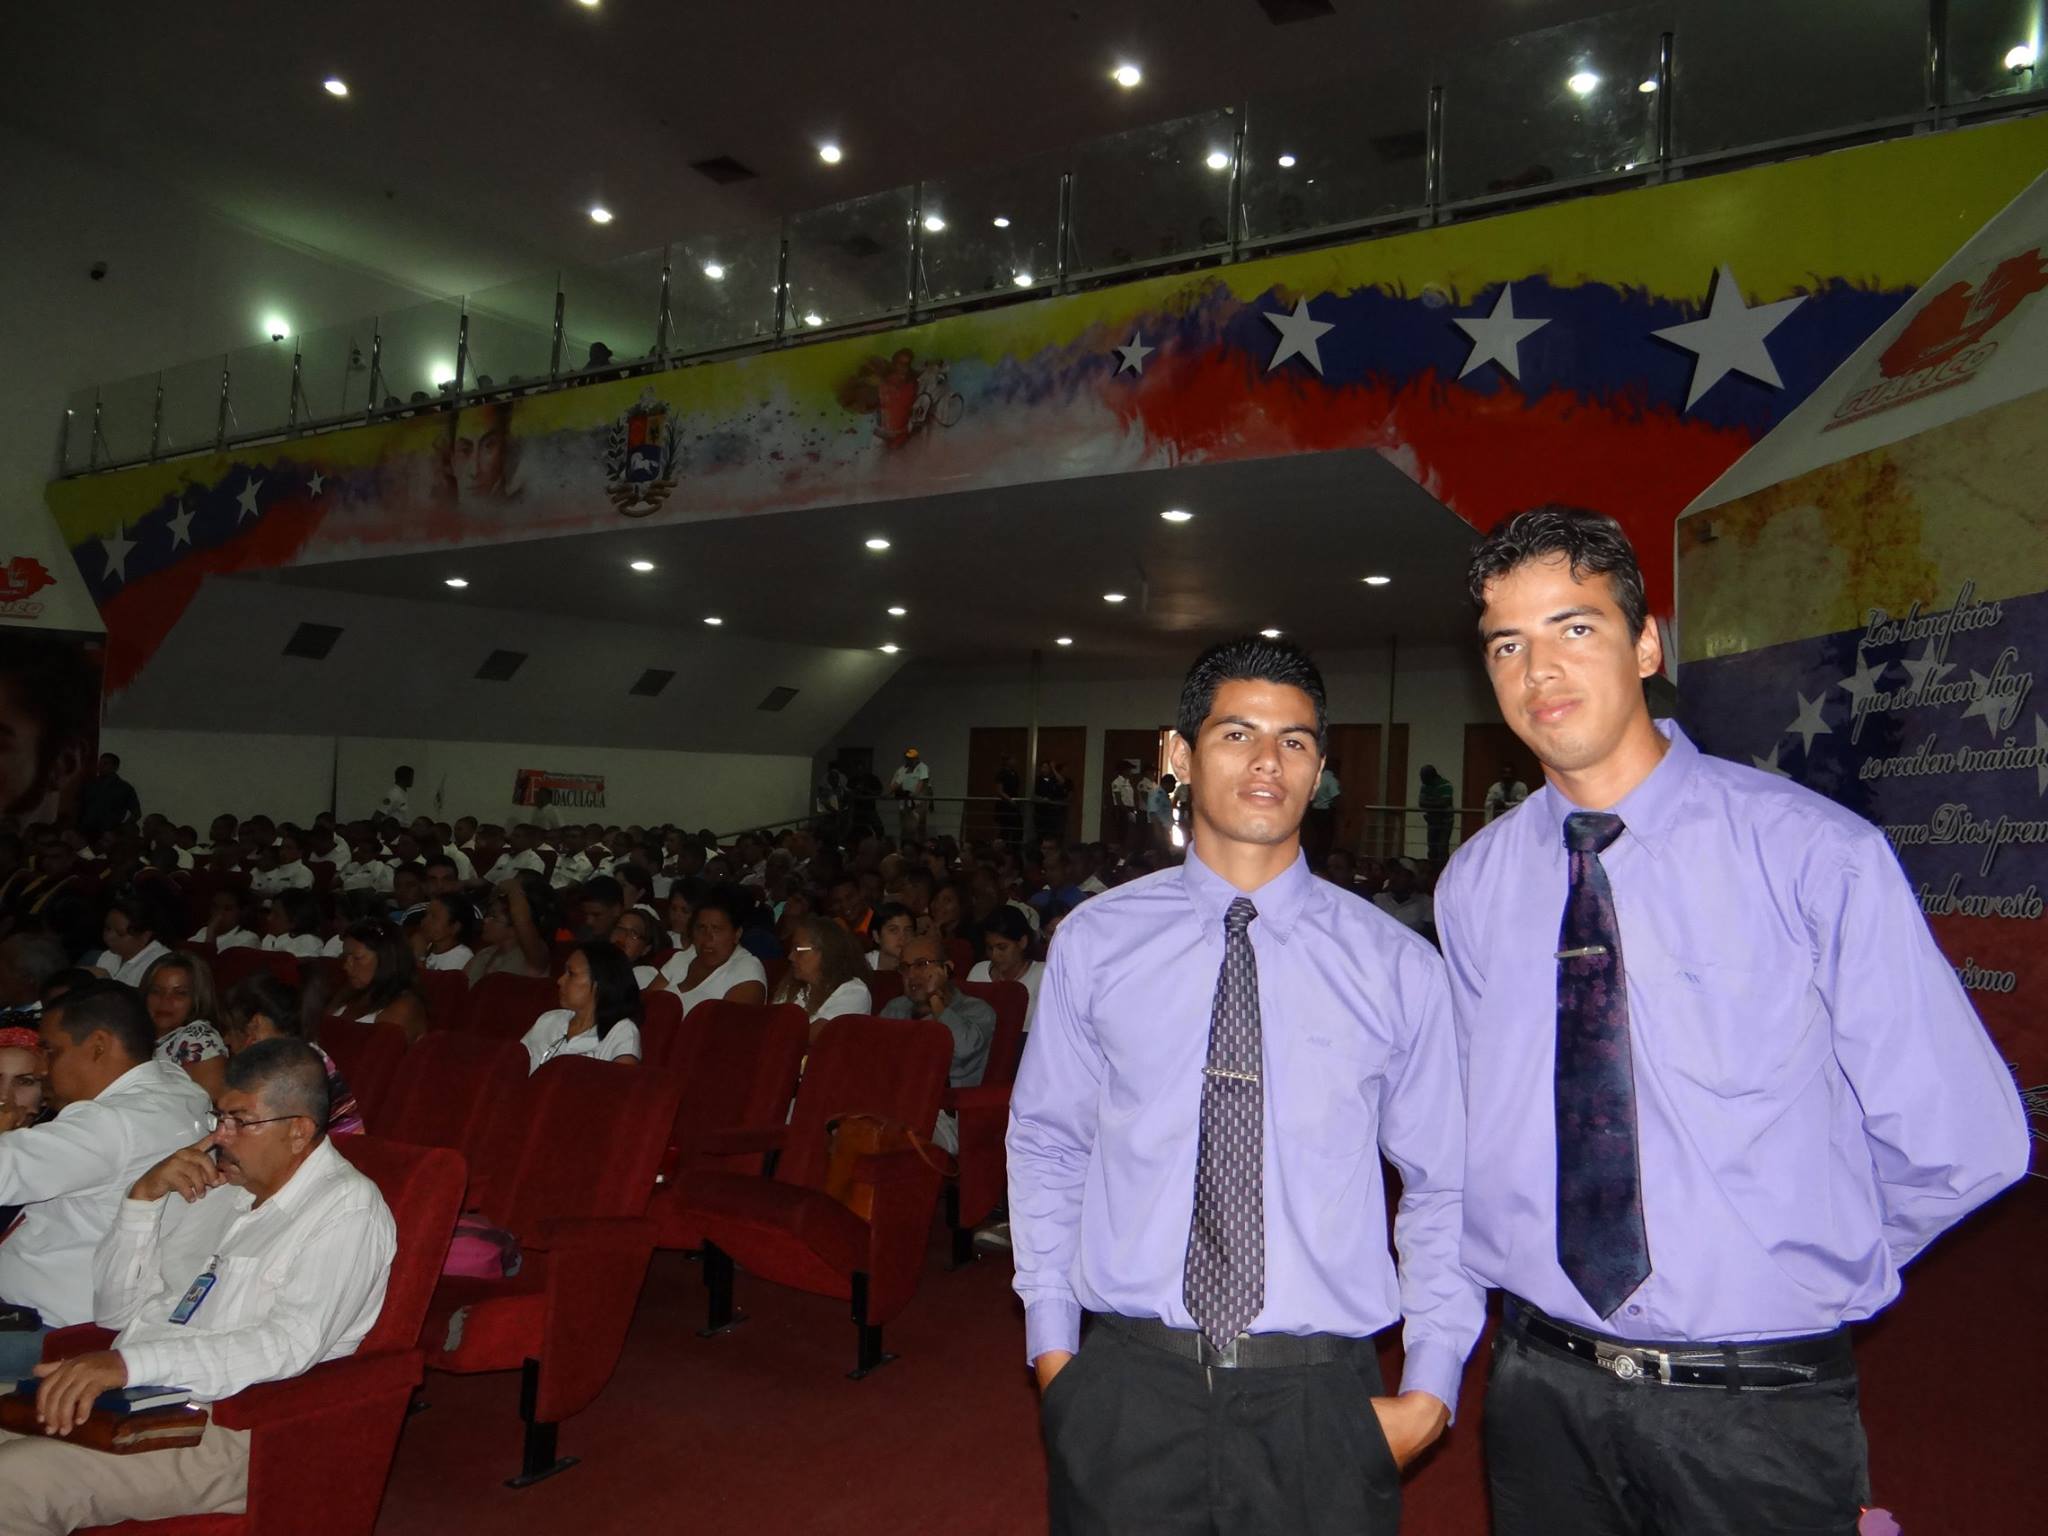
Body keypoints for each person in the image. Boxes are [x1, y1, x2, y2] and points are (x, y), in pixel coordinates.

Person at [1438, 507, 2029, 1533]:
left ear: (1646, 641)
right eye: (1507, 644)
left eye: (1573, 627)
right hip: (1538, 1389)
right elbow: (1468, 1126)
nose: (1539, 670)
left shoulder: (1810, 857)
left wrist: (1796, 1258)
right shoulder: (1474, 884)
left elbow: (1965, 1141)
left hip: (1751, 1409)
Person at [1008, 635, 1480, 1535]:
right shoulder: (1096, 943)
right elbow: (1047, 1141)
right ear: (1178, 756)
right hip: (1127, 1388)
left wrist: (1431, 1388)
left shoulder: (1396, 966)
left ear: (1321, 769)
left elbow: (1445, 1184)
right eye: (1238, 734)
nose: (1269, 762)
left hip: (1317, 1400)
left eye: (1296, 741)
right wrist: (1054, 1352)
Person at [0, 1039, 395, 1532]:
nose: (220, 1137)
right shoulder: (221, 1192)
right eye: (217, 1118)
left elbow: (286, 1345)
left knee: (11, 1484)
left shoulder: (346, 1210)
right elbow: (116, 1313)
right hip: (144, 1402)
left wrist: (128, 1364)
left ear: (298, 1132)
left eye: (239, 1121)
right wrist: (141, 1201)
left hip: (240, 1427)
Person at [0, 982, 211, 1376]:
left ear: (98, 1045)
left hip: (50, 1329)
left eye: (51, 1050)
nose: (42, 1068)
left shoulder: (109, 1125)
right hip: (79, 1310)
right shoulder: (175, 1086)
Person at [880, 932, 993, 1154]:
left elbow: (962, 1050)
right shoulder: (895, 1009)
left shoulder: (977, 1011)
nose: (912, 975)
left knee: (888, 1128)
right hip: (891, 1104)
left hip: (943, 1117)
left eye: (922, 965)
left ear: (947, 969)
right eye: (905, 968)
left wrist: (936, 1001)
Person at [219, 974, 363, 1136]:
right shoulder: (290, 1054)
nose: (226, 1040)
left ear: (256, 1024)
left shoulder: (296, 1064)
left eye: (230, 1029)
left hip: (337, 1147)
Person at [521, 941, 644, 1072]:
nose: (560, 981)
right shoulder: (550, 1019)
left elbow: (620, 1086)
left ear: (599, 983)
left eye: (571, 974)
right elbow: (514, 1065)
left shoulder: (621, 1031)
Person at [654, 891, 767, 1012]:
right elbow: (647, 1003)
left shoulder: (747, 970)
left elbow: (726, 1026)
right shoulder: (684, 957)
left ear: (737, 934)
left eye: (716, 929)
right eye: (701, 928)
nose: (707, 937)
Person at [140, 952, 231, 1100]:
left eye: (180, 993)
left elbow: (209, 1108)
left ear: (196, 999)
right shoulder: (135, 1033)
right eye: (156, 991)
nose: (165, 1000)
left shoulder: (199, 1036)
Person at [323, 920, 428, 1042]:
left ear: (386, 959)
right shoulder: (349, 991)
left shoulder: (405, 1007)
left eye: (357, 958)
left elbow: (380, 1055)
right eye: (345, 957)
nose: (346, 966)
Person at [773, 915, 873, 1040]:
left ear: (826, 952)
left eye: (798, 949)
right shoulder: (792, 988)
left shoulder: (854, 992)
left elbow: (815, 1036)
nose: (791, 956)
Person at [464, 873, 554, 984]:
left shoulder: (533, 956)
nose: (485, 920)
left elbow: (522, 920)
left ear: (515, 926)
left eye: (493, 917)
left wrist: (513, 887)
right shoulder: (483, 954)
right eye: (487, 915)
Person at [966, 903, 1044, 1029]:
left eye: (1002, 948)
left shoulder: (1041, 974)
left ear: (1022, 942)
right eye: (990, 948)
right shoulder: (978, 972)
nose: (994, 955)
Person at [94, 885, 173, 986]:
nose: (109, 937)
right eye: (107, 928)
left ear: (145, 936)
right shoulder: (107, 956)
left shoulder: (161, 965)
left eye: (120, 933)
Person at [77, 752, 142, 842]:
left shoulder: (124, 788)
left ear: (115, 767)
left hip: (109, 833)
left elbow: (136, 812)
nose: (100, 766)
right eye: (100, 763)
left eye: (105, 763)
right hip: (86, 831)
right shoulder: (89, 785)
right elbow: (79, 807)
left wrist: (122, 828)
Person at [1371, 858, 1433, 940]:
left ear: (1411, 878)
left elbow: (1428, 935)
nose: (1393, 878)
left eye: (1398, 874)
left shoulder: (1426, 903)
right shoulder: (1378, 899)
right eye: (1391, 873)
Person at [259, 888, 328, 958]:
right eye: (271, 912)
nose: (269, 918)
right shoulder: (268, 939)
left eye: (276, 915)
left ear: (294, 921)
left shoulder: (309, 942)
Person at [189, 888, 259, 952]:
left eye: (227, 909)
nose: (219, 913)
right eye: (215, 907)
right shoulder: (203, 931)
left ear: (241, 912)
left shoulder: (249, 939)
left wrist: (210, 937)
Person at [610, 907, 663, 989]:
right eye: (619, 928)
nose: (623, 935)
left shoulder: (643, 974)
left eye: (634, 933)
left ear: (646, 949)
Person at [889, 748, 931, 841]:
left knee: (918, 827)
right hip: (904, 804)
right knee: (905, 828)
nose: (910, 760)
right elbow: (894, 785)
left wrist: (914, 795)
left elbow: (922, 782)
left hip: (918, 804)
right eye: (908, 758)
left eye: (912, 758)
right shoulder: (902, 769)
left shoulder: (922, 767)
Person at [1417, 764, 1453, 869]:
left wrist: (1430, 803)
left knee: (1442, 848)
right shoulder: (1425, 786)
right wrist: (1436, 803)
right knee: (1432, 848)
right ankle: (1432, 871)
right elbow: (1421, 803)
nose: (1421, 780)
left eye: (1423, 777)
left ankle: (1443, 871)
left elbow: (1444, 802)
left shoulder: (1446, 785)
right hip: (1432, 821)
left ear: (1431, 776)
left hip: (1445, 821)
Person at [864, 900, 916, 972]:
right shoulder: (861, 965)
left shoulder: (920, 965)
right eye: (893, 930)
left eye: (908, 930)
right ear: (876, 936)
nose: (903, 937)